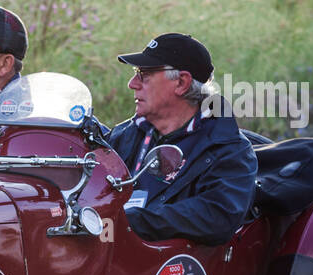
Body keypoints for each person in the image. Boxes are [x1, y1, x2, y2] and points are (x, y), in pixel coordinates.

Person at [108, 33, 257, 246]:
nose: (132, 84)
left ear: (181, 82)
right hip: (114, 259)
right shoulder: (124, 134)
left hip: (162, 270)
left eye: (144, 75)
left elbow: (218, 215)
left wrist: (129, 221)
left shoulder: (229, 150)